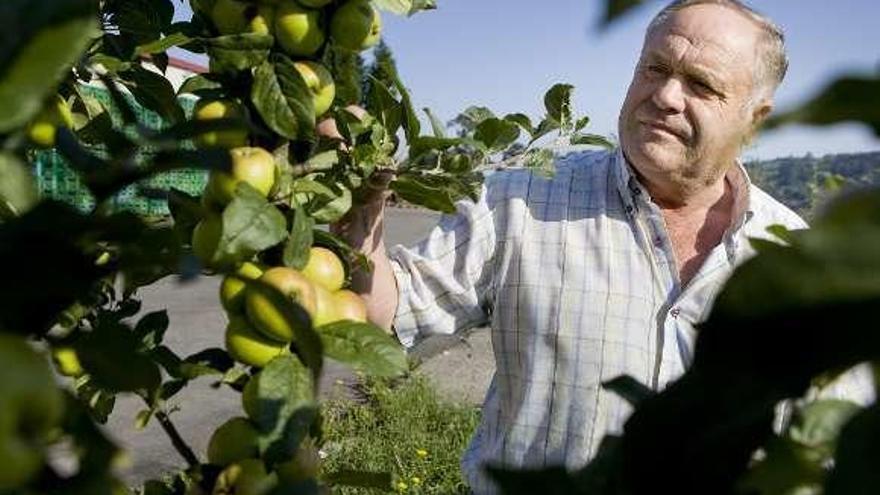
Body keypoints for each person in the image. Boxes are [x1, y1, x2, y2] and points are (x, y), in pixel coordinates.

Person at [333, 1, 873, 493]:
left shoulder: (800, 264)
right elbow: (389, 315)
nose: (664, 96)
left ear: (756, 120)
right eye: (654, 69)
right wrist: (361, 219)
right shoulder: (518, 200)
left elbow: (832, 451)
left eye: (701, 85)